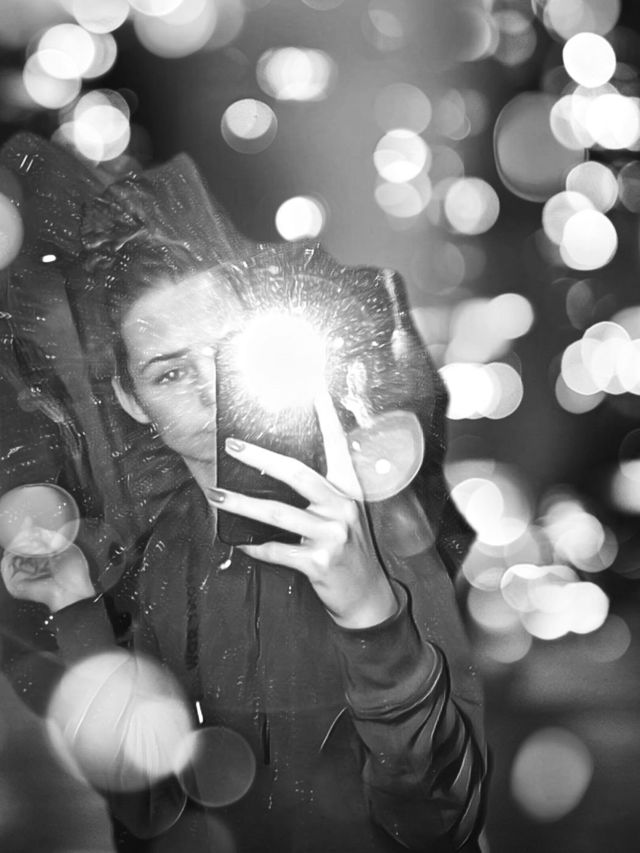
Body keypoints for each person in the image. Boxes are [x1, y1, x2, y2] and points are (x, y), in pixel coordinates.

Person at [0, 134, 486, 852]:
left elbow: (440, 819)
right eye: (170, 372)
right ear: (132, 401)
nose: (211, 390)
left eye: (228, 353)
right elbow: (150, 809)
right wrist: (75, 608)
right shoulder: (167, 553)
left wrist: (372, 615)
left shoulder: (377, 521)